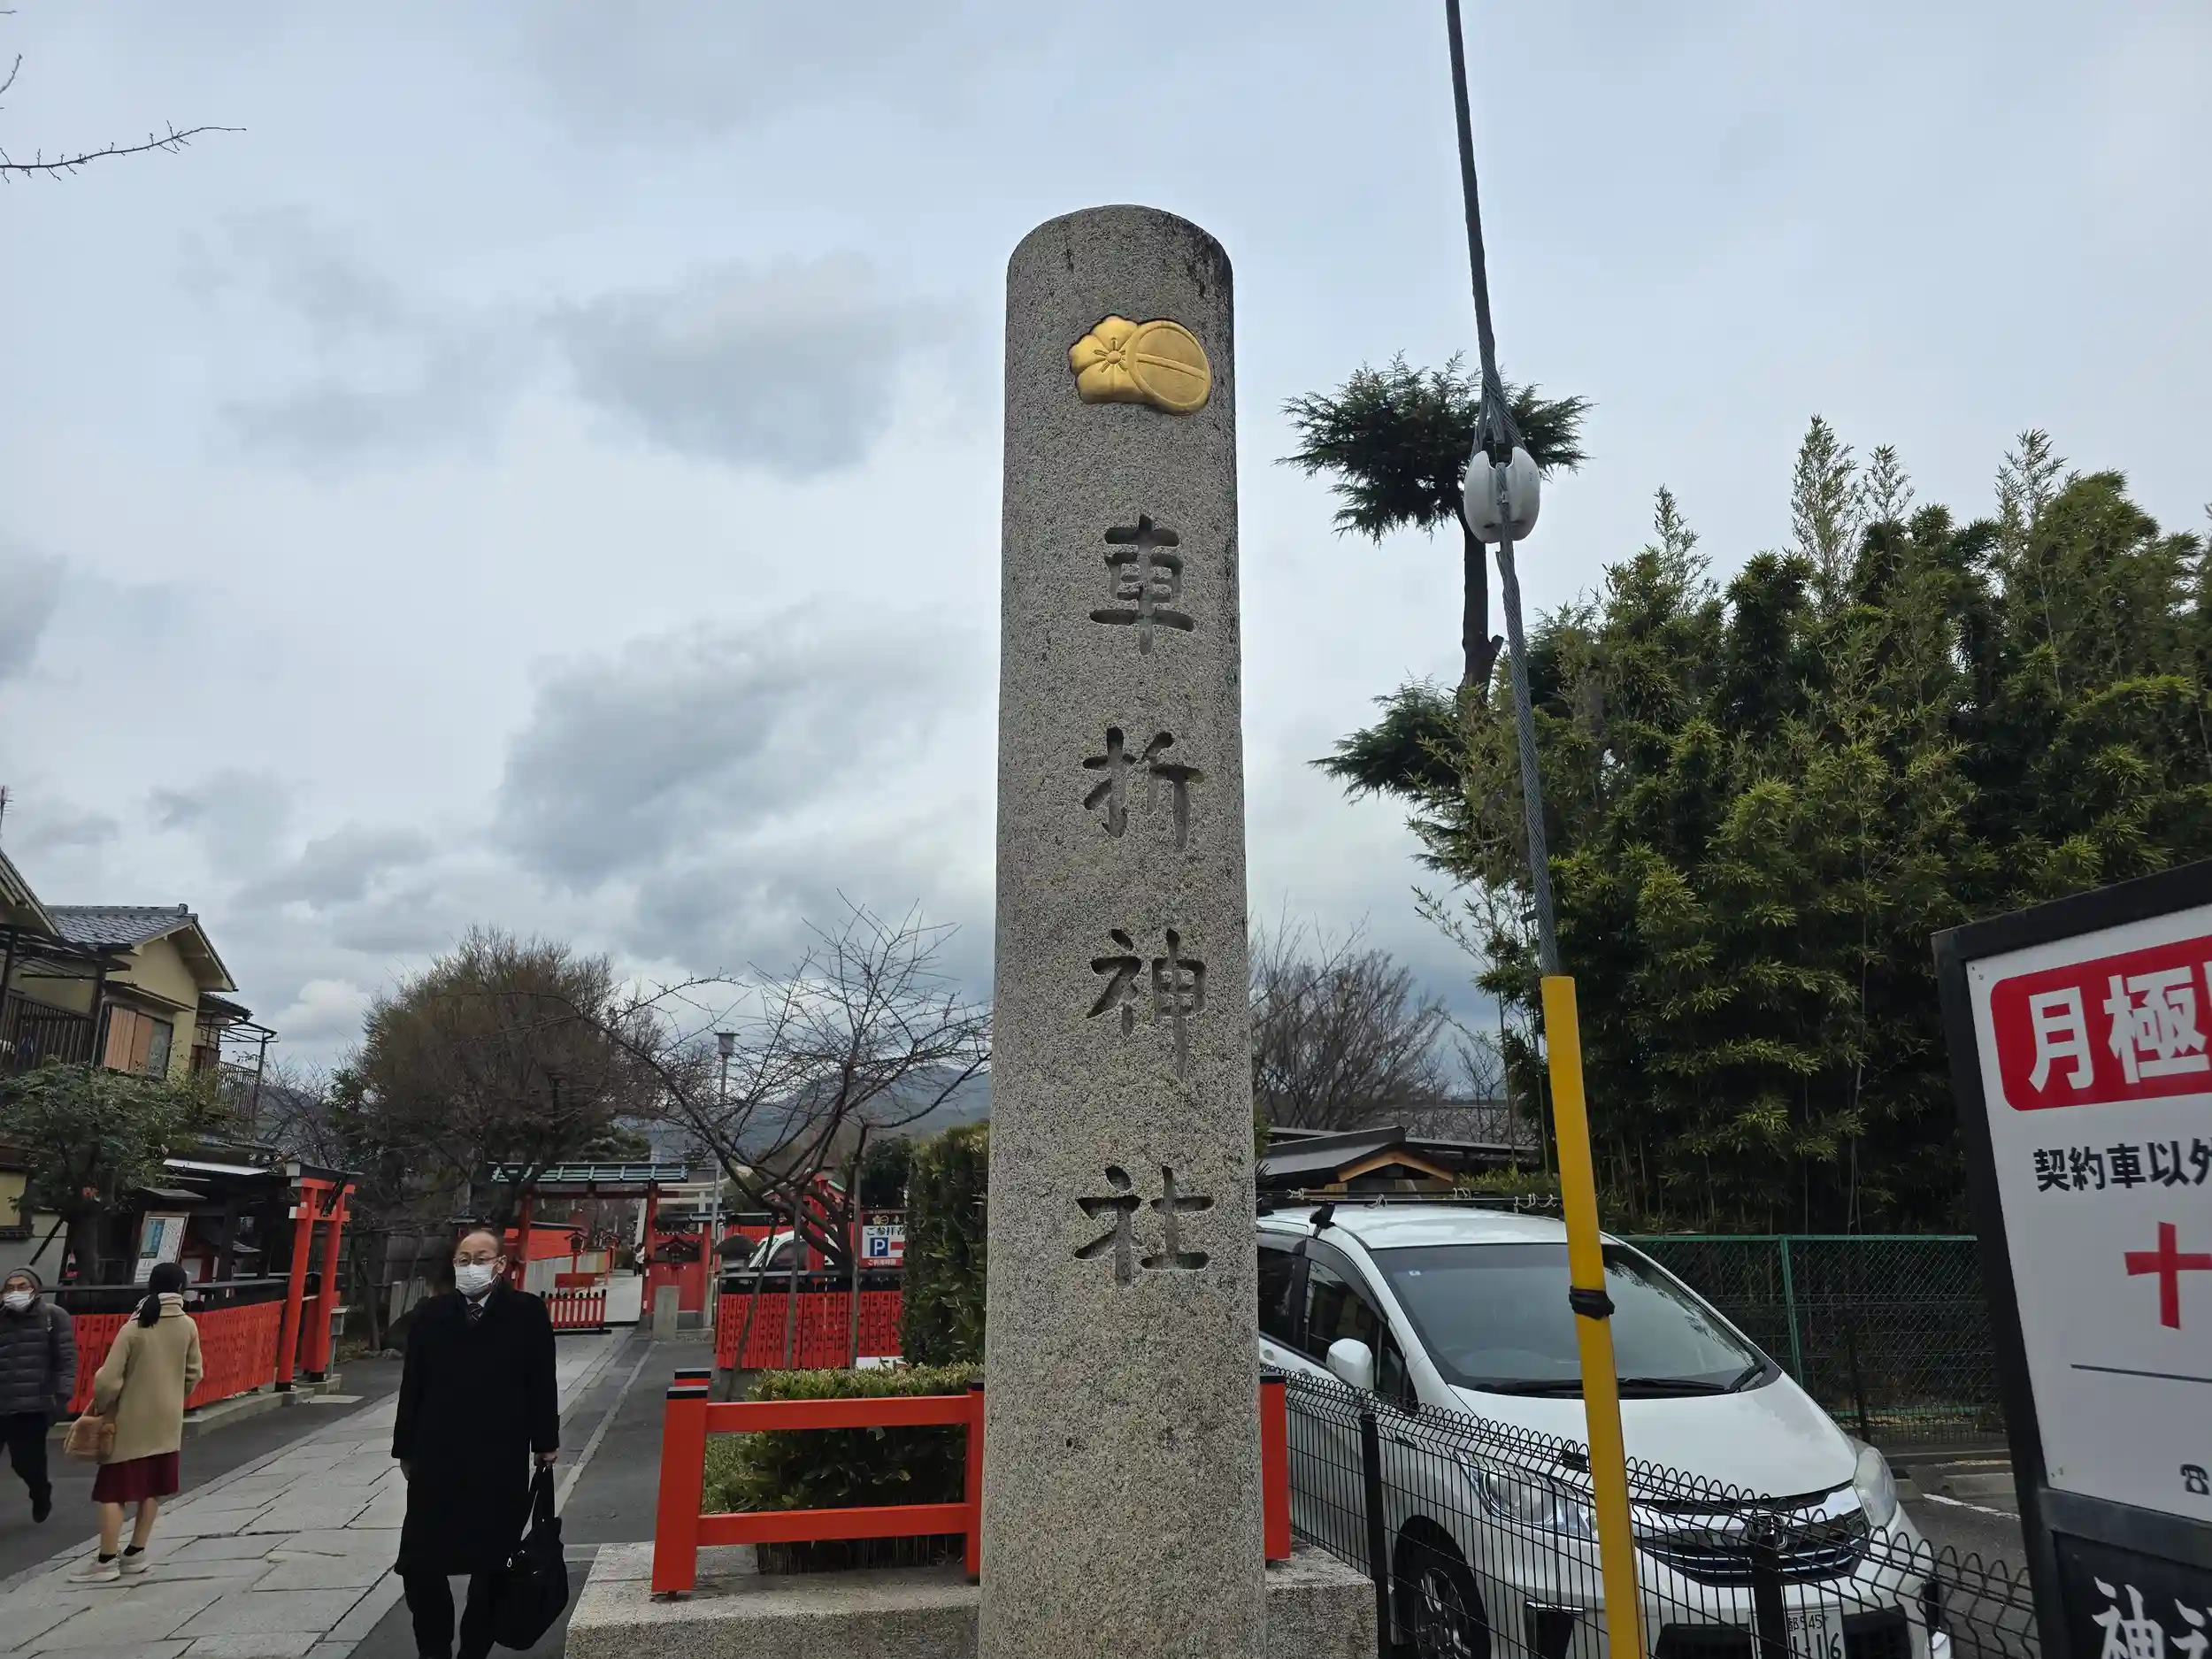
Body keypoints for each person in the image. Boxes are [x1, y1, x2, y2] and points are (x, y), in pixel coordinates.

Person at [393, 1225, 558, 1659]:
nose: (471, 1267)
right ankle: (434, 1650)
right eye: (463, 1260)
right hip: (436, 1454)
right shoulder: (431, 1314)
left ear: (500, 1264)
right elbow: (412, 1384)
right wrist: (404, 1447)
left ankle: (474, 1650)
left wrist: (545, 1440)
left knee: (493, 1564)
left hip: (499, 1455)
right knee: (419, 1563)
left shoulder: (527, 1312)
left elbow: (542, 1381)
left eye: (481, 1259)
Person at [69, 1260, 201, 1584]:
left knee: (113, 1491)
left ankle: (105, 1561)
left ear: (150, 1287)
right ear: (181, 1289)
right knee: (152, 1487)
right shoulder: (187, 1325)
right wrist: (173, 1396)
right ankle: (136, 1553)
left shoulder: (135, 1326)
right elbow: (194, 1374)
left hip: (128, 1420)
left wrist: (102, 1404)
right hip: (166, 1420)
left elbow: (108, 1381)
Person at [1, 1266, 76, 1524]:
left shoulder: (53, 1317)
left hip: (33, 1405)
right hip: (2, 1400)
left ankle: (40, 1491)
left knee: (25, 1463)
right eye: (10, 1288)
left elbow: (66, 1360)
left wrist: (62, 1396)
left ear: (35, 1289)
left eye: (22, 1286)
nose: (15, 1292)